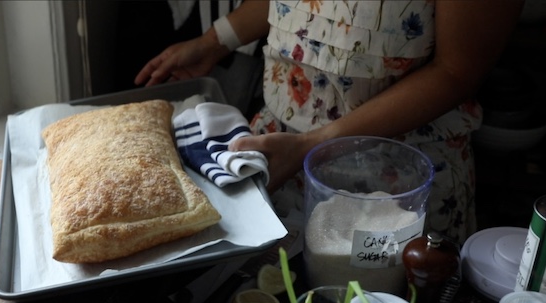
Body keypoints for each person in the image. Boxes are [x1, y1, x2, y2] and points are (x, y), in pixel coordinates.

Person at [135, 0, 524, 245]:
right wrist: (213, 42)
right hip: (278, 156)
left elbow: (457, 71)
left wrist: (317, 145)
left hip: (399, 182)